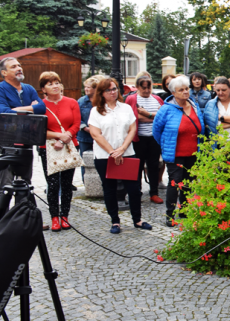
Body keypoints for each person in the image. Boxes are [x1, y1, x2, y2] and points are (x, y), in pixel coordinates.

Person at [87, 77, 152, 233]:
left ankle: (137, 219)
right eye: (109, 90)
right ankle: (115, 221)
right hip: (104, 155)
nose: (113, 92)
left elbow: (132, 129)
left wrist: (122, 149)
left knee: (134, 188)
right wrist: (112, 151)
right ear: (102, 93)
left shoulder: (125, 108)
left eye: (115, 88)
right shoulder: (95, 111)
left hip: (127, 153)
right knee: (109, 188)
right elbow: (96, 134)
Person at [0, 57, 47, 210]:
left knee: (25, 182)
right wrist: (30, 108)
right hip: (6, 142)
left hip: (26, 139)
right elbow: (5, 113)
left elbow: (42, 108)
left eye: (19, 65)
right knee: (6, 183)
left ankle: (26, 220)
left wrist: (17, 109)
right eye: (13, 67)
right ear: (4, 72)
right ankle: (1, 222)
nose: (19, 68)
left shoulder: (28, 88)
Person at [153, 75, 204, 227]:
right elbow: (156, 131)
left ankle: (185, 211)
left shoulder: (194, 106)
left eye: (187, 89)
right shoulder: (166, 109)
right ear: (173, 93)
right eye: (181, 90)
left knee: (188, 183)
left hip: (193, 152)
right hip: (175, 154)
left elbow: (200, 127)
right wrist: (165, 145)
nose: (185, 92)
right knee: (175, 184)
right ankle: (170, 214)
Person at [38, 72, 80, 231]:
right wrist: (57, 136)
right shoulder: (40, 105)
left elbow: (76, 124)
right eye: (50, 84)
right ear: (43, 89)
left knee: (67, 184)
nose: (55, 86)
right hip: (48, 148)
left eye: (57, 82)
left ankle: (65, 216)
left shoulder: (72, 102)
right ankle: (54, 217)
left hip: (69, 145)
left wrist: (64, 139)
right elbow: (39, 128)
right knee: (53, 184)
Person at [126, 73, 164, 204]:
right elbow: (133, 118)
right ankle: (137, 192)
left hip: (154, 138)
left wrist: (146, 114)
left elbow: (162, 117)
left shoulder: (157, 99)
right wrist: (153, 116)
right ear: (137, 87)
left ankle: (154, 193)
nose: (147, 91)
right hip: (138, 138)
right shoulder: (131, 99)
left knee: (154, 166)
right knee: (137, 166)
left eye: (149, 88)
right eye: (144, 88)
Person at [78, 75, 103, 182]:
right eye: (85, 87)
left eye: (88, 87)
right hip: (85, 137)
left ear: (95, 89)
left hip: (100, 136)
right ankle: (87, 183)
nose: (86, 89)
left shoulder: (101, 101)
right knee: (85, 162)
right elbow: (76, 118)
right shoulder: (81, 101)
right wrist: (84, 128)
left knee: (100, 160)